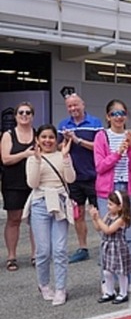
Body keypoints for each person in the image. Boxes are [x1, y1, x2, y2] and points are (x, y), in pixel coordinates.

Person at [93, 99, 131, 292]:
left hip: (127, 190)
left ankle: (128, 279)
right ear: (108, 117)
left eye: (122, 113)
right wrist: (117, 153)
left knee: (129, 236)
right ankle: (107, 281)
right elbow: (100, 166)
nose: (119, 117)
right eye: (114, 113)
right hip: (108, 189)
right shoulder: (101, 137)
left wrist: (130, 148)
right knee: (107, 235)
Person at [24, 124, 76, 306]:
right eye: (43, 137)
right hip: (40, 203)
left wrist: (66, 157)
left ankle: (61, 288)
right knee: (43, 250)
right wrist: (38, 160)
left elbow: (71, 179)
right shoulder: (32, 159)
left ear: (56, 139)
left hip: (60, 203)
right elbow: (32, 183)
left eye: (51, 137)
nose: (47, 140)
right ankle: (44, 285)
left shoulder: (62, 156)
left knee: (60, 249)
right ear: (37, 140)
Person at [57, 93, 103, 263]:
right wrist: (66, 140)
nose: (73, 108)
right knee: (78, 214)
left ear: (83, 104)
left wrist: (77, 140)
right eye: (69, 106)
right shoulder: (63, 125)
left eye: (76, 105)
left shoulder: (95, 123)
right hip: (73, 178)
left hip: (93, 176)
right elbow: (58, 147)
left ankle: (106, 247)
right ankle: (83, 248)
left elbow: (100, 147)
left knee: (99, 213)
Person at [1, 102, 36, 271]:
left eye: (28, 112)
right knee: (14, 219)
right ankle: (11, 257)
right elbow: (5, 159)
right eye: (21, 112)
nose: (24, 115)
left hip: (34, 183)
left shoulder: (37, 134)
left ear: (32, 116)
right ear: (15, 116)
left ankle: (36, 255)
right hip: (13, 183)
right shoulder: (8, 135)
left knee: (35, 220)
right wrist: (25, 154)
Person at [89, 190, 131, 305]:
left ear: (120, 207)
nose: (108, 206)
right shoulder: (109, 215)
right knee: (107, 271)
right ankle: (109, 292)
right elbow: (99, 228)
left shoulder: (121, 219)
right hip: (108, 246)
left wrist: (98, 219)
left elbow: (108, 230)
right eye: (108, 203)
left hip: (118, 246)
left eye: (110, 204)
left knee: (120, 272)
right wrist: (94, 218)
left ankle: (123, 293)